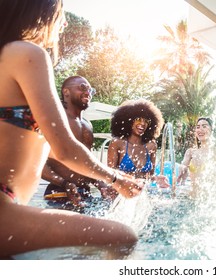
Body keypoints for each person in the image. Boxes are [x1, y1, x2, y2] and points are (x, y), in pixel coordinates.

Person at [0, 0, 144, 259]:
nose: (64, 23)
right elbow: (64, 149)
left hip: (10, 205)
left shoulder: (7, 57)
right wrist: (115, 178)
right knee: (123, 237)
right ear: (39, 12)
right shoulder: (26, 53)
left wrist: (100, 180)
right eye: (60, 14)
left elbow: (37, 147)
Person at [42, 75, 114, 208]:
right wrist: (65, 184)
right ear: (66, 92)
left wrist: (100, 184)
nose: (88, 92)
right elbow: (37, 162)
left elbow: (85, 163)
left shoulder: (87, 125)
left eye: (91, 90)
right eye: (83, 87)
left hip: (84, 193)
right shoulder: (54, 119)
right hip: (59, 193)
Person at [107, 98, 170, 189]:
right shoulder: (117, 143)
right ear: (128, 120)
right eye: (138, 119)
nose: (142, 123)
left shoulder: (151, 146)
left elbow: (149, 177)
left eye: (146, 121)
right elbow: (110, 175)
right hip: (121, 194)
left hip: (142, 197)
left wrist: (156, 179)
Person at [177, 117, 216, 198]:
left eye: (204, 126)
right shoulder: (190, 152)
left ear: (212, 130)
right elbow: (183, 164)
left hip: (214, 199)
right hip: (194, 198)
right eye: (198, 127)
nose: (200, 129)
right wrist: (183, 168)